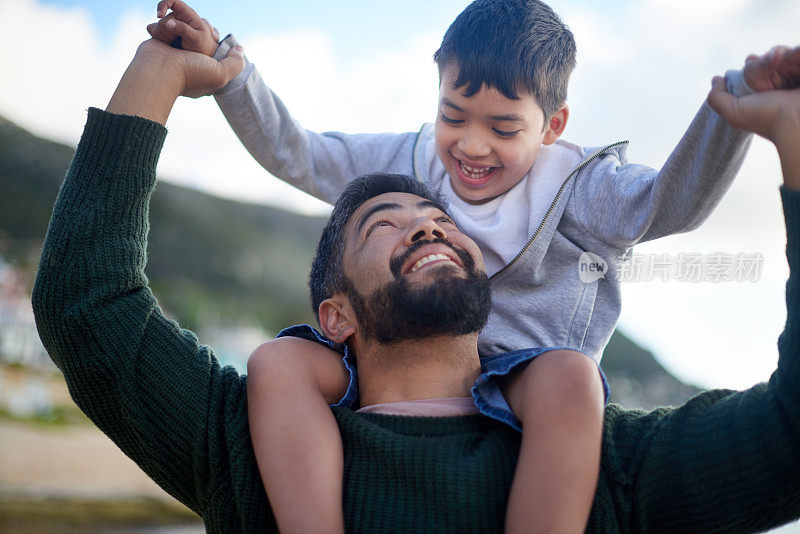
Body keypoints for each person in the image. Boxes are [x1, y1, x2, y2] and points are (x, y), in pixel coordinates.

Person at [31, 35, 800, 533]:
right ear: (335, 316)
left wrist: (791, 139)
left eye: (443, 221)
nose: (431, 223)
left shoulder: (600, 459)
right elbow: (85, 303)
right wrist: (163, 67)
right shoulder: (253, 444)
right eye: (382, 226)